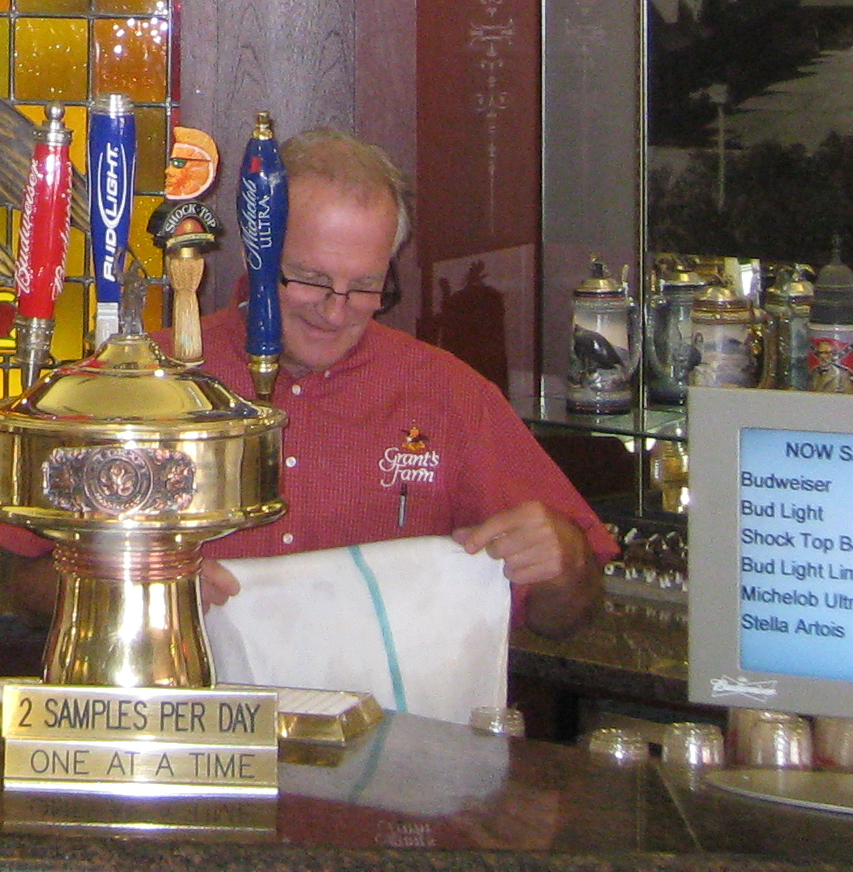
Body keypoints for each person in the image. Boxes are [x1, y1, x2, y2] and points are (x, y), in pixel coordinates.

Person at [197, 131, 610, 633]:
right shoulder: (157, 379)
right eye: (312, 279)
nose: (335, 311)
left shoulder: (447, 392)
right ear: (255, 253)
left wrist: (564, 562)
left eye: (365, 286)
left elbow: (570, 614)